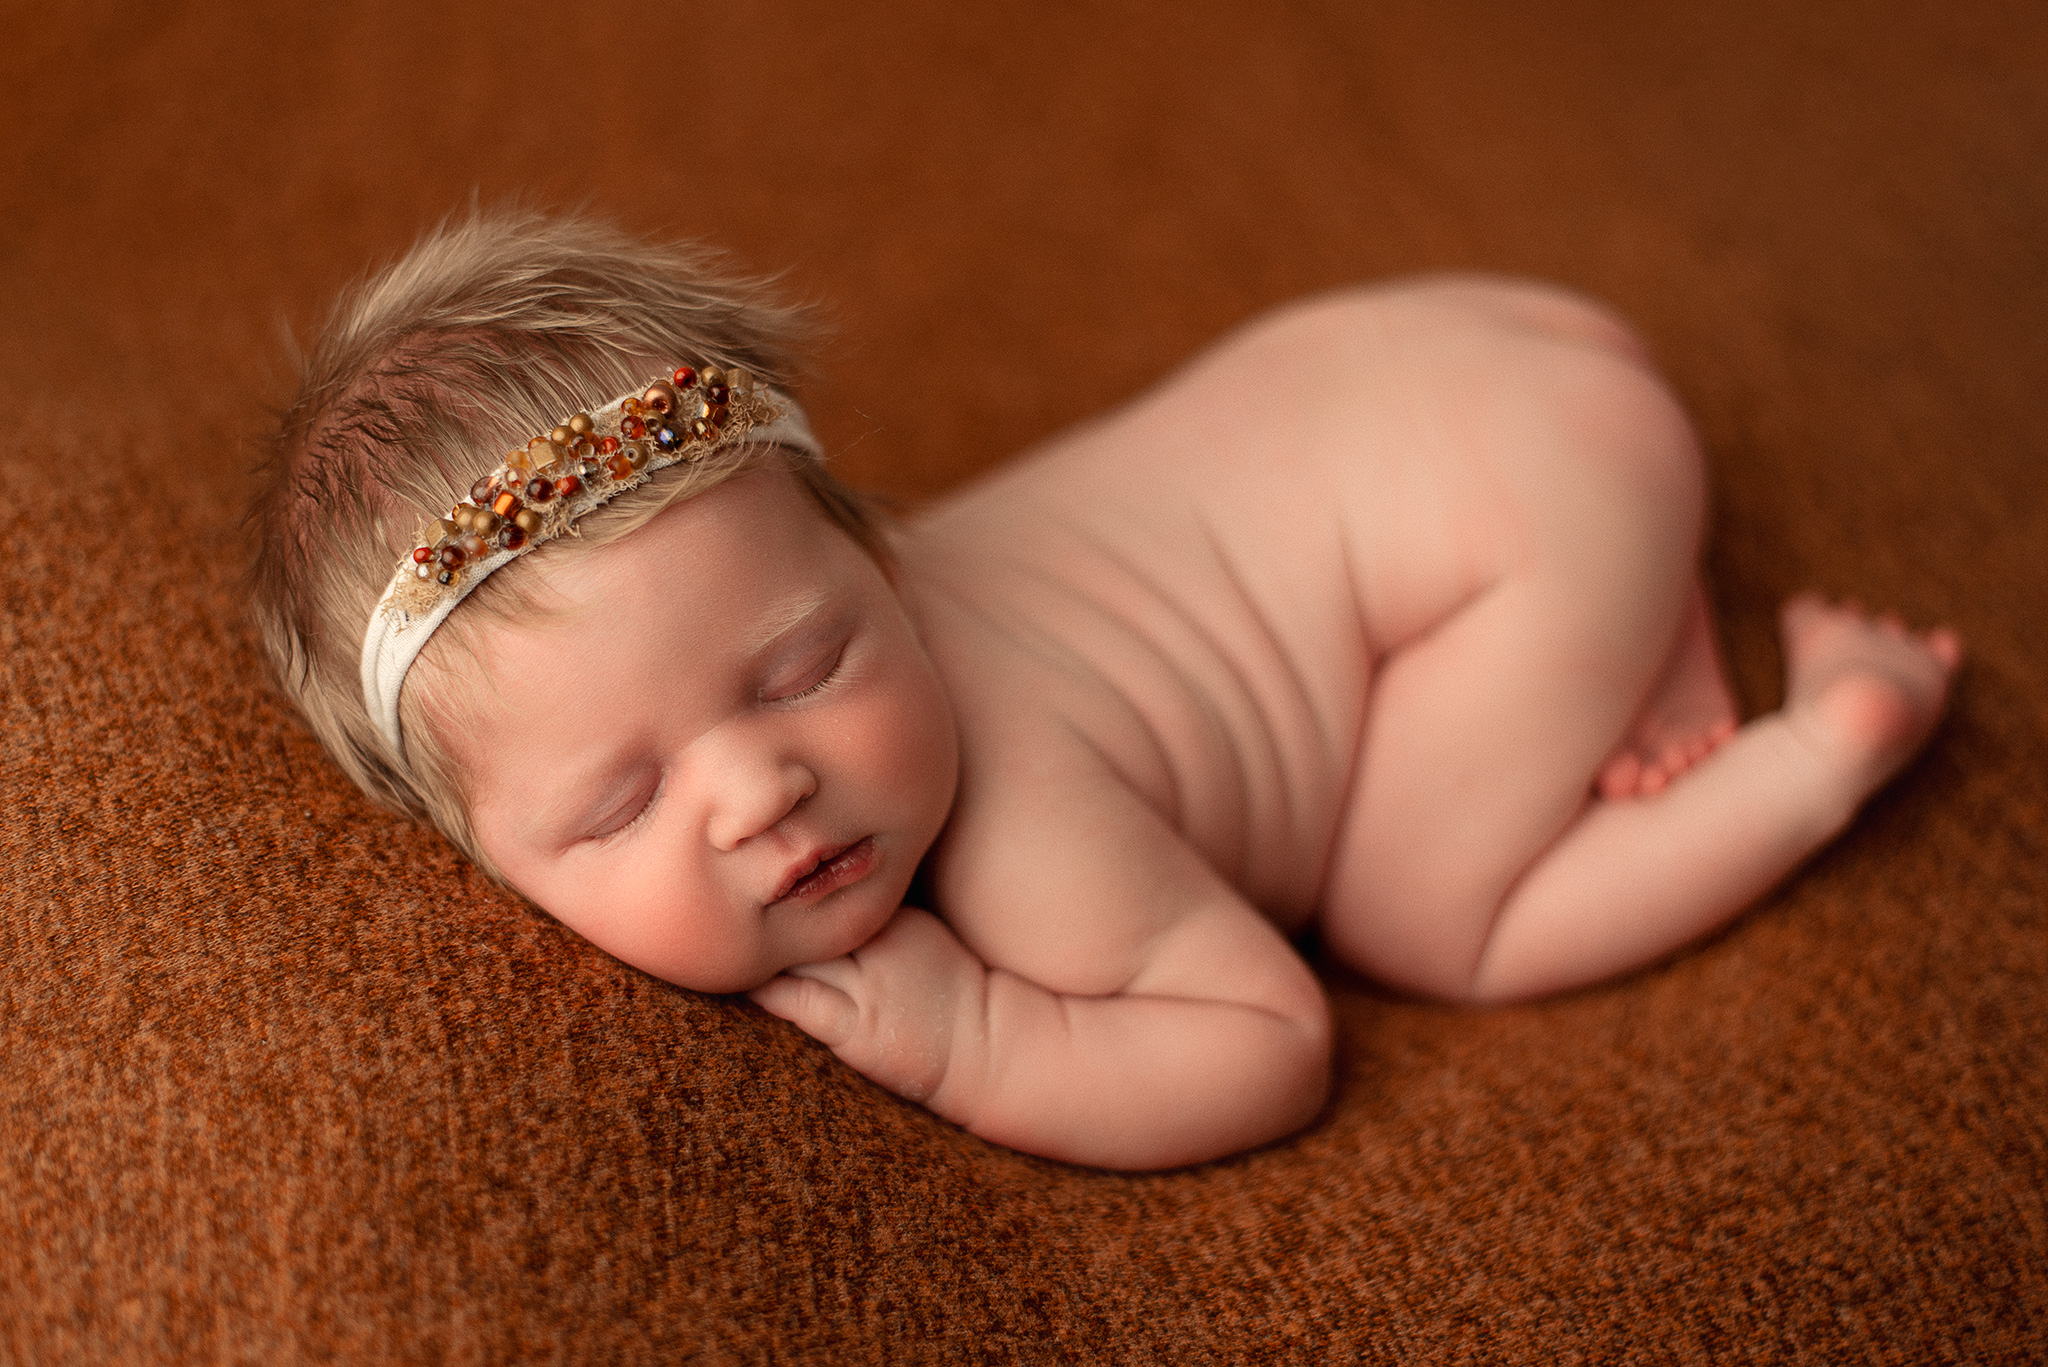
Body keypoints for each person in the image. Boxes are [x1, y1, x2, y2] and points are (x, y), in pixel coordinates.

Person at [252, 210, 1959, 1170]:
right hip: (1468, 352)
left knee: (1429, 916)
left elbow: (1269, 1043)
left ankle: (1821, 744)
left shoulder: (1020, 817)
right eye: (622, 803)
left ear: (875, 555)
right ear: (478, 847)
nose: (761, 789)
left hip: (1529, 492)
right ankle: (1645, 619)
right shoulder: (800, 585)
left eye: (807, 666)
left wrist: (973, 1034)